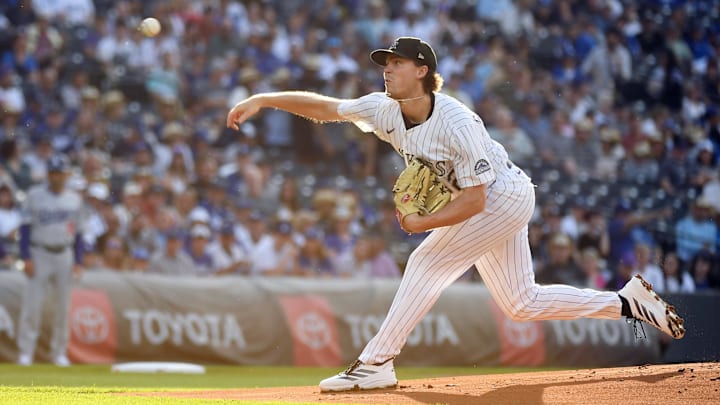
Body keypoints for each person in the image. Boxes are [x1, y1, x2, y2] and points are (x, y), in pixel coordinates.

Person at [226, 36, 685, 392]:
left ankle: (376, 363)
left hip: (502, 194)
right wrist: (266, 98)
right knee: (520, 303)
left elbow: (475, 201)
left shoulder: (457, 122)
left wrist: (420, 224)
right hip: (492, 198)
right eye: (385, 63)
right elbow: (328, 109)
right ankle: (628, 302)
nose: (386, 69)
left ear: (422, 71)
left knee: (426, 260)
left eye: (397, 63)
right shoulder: (383, 109)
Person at [16, 154, 84, 366]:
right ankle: (26, 352)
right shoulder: (35, 195)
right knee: (32, 305)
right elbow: (25, 229)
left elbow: (79, 234)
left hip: (64, 253)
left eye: (60, 173)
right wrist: (25, 256)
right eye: (53, 173)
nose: (57, 177)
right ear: (48, 174)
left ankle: (59, 352)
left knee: (63, 307)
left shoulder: (74, 199)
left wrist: (78, 261)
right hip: (40, 252)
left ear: (66, 175)